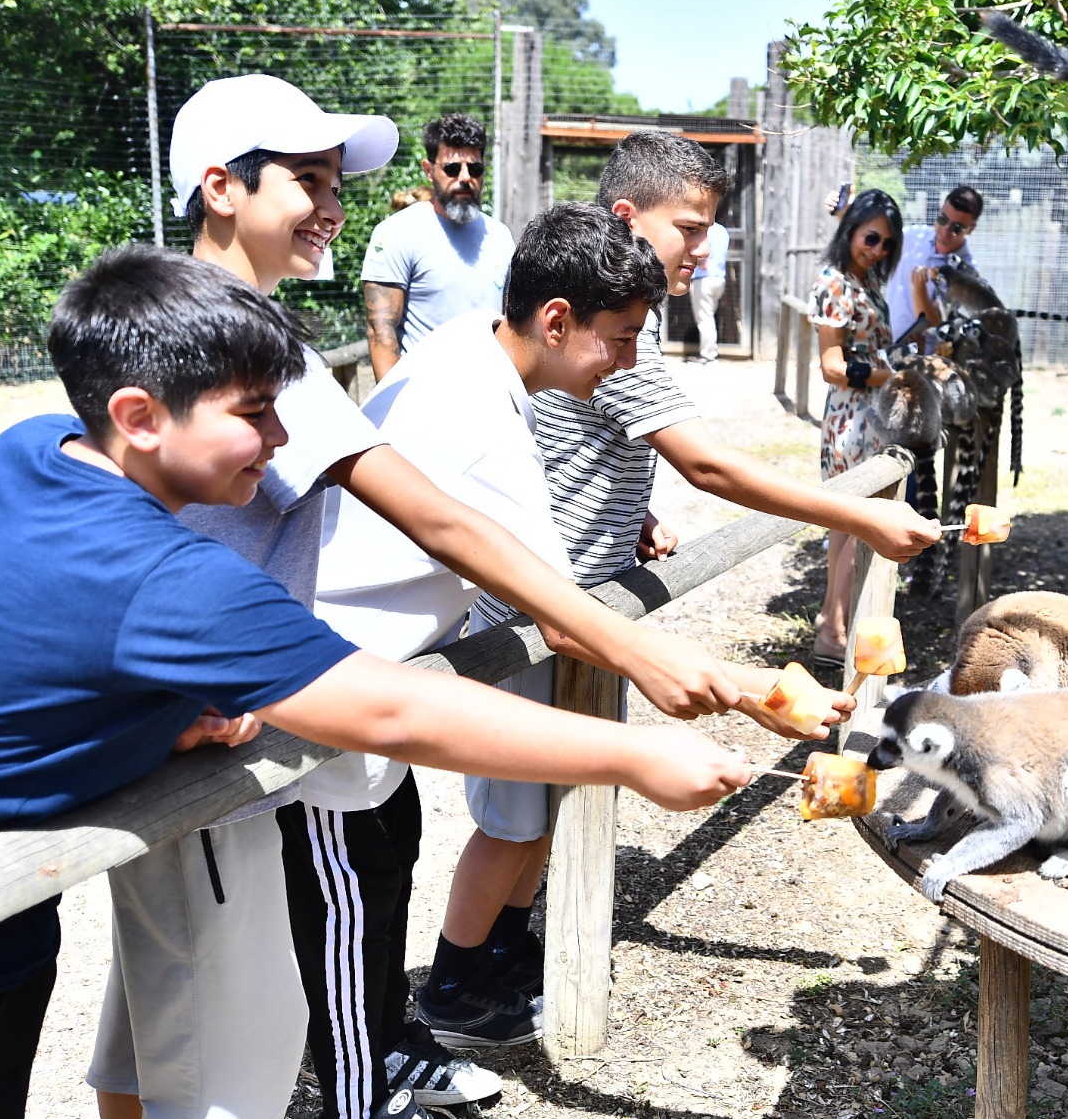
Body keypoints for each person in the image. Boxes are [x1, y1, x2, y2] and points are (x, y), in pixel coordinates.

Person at [0, 242, 753, 1119]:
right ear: (140, 415)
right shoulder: (169, 577)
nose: (278, 442)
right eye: (254, 413)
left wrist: (148, 713)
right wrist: (634, 753)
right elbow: (396, 709)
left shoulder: (23, 457)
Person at [90, 75, 773, 1119]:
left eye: (334, 183)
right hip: (230, 706)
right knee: (218, 1046)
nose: (329, 207)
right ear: (219, 187)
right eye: (302, 181)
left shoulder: (257, 333)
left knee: (158, 1018)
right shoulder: (217, 340)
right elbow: (432, 513)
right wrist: (637, 661)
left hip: (224, 698)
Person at [417, 132, 940, 1048]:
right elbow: (707, 463)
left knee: (549, 801)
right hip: (539, 614)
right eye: (689, 228)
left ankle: (507, 949)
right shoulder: (609, 330)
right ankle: (458, 982)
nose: (703, 246)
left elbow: (607, 449)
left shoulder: (627, 329)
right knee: (511, 818)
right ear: (628, 220)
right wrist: (853, 515)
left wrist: (634, 516)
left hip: (588, 602)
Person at [810, 189, 905, 664]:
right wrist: (893, 375)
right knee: (854, 524)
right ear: (851, 230)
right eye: (871, 237)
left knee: (847, 527)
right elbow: (831, 365)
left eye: (887, 244)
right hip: (851, 419)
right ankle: (834, 632)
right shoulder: (835, 284)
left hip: (868, 416)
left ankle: (834, 622)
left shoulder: (862, 282)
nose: (877, 249)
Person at [361, 112, 514, 380]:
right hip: (421, 400)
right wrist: (393, 413)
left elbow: (511, 324)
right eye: (452, 168)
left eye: (475, 168)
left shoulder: (501, 236)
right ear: (429, 170)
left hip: (490, 395)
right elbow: (380, 332)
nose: (465, 177)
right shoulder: (396, 233)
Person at [826, 184, 982, 349]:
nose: (945, 230)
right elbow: (869, 243)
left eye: (956, 228)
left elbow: (936, 326)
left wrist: (918, 288)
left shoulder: (966, 273)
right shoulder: (914, 236)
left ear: (971, 228)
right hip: (884, 346)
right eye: (942, 219)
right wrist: (845, 215)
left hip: (925, 362)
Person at [687, 219, 730, 364]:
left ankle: (708, 355)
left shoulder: (704, 231)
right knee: (709, 317)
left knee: (705, 319)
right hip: (719, 279)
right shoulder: (722, 230)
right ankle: (710, 351)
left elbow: (702, 256)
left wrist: (700, 262)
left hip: (703, 279)